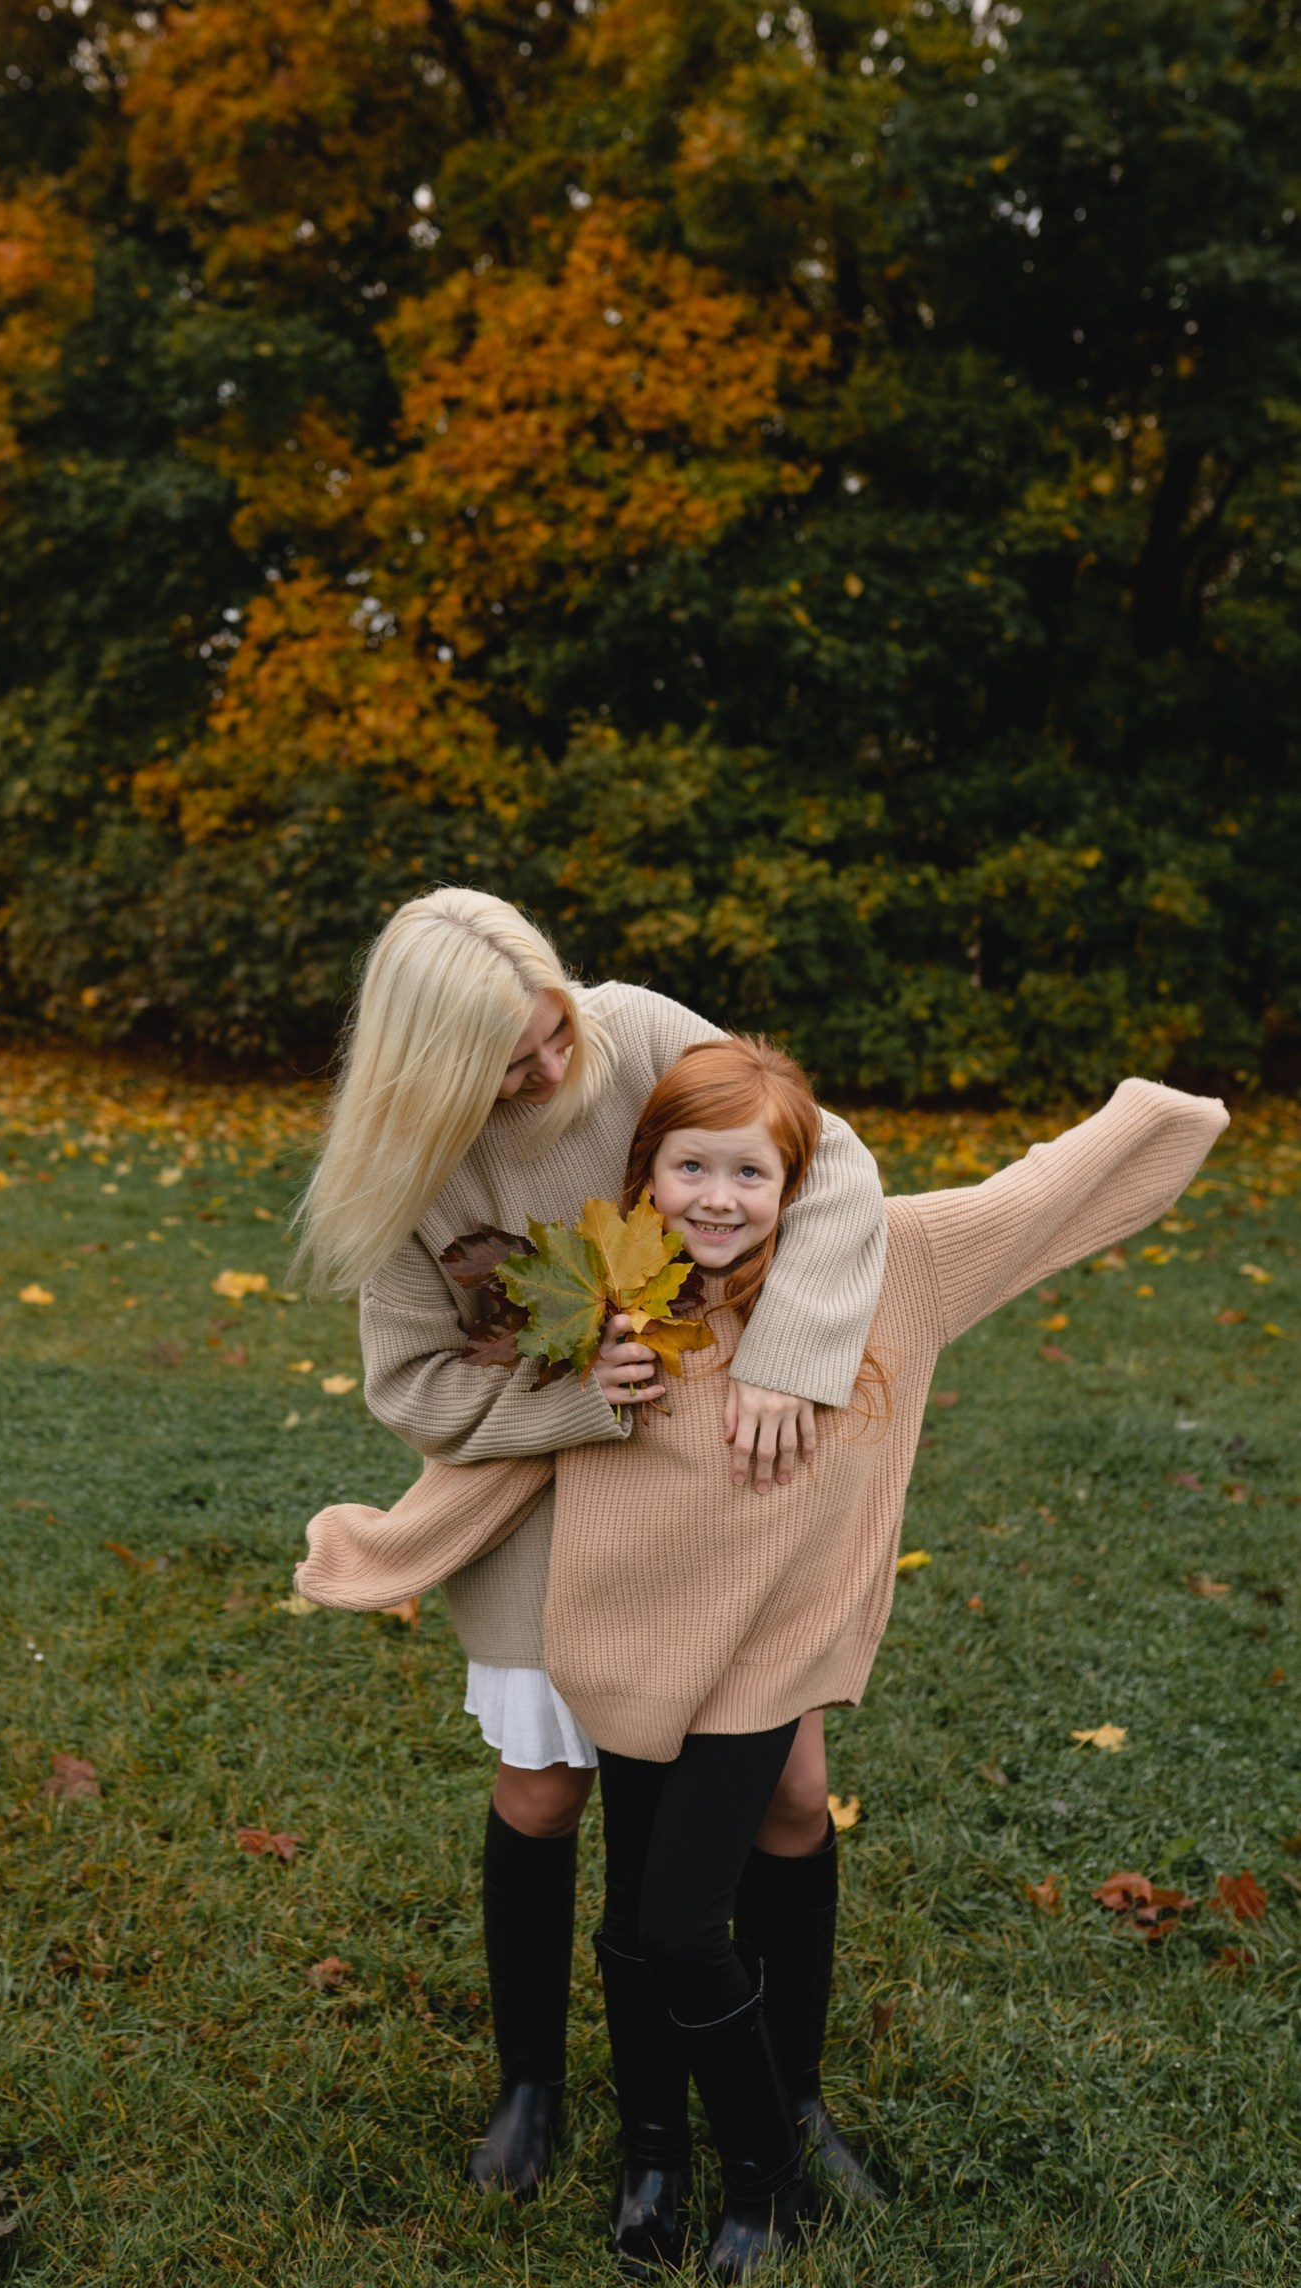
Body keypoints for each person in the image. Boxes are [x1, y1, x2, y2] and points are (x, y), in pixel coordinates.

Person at [300, 1040, 1228, 2275]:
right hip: (635, 1649)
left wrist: (1155, 1107)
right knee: (636, 1924)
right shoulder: (623, 1301)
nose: (720, 1198)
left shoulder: (890, 1260)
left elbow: (1037, 1195)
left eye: (753, 1172)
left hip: (767, 1659)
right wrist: (387, 1543)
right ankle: (651, 2158)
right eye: (690, 1168)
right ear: (645, 1172)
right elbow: (515, 1457)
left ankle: (770, 2165)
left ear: (802, 1181)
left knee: (684, 1924)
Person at [295, 891, 889, 2199]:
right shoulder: (405, 1175)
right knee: (544, 1787)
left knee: (792, 1790)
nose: (554, 1070)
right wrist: (572, 1398)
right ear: (430, 1074)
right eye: (511, 1065)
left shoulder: (636, 1029)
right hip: (534, 1499)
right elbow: (413, 1389)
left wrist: (791, 1357)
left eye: (552, 1032)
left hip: (715, 1487)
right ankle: (532, 2085)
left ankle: (792, 2098)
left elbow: (830, 1159)